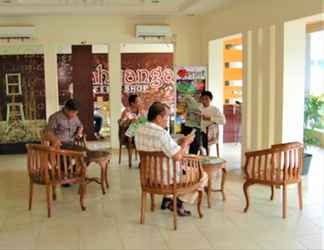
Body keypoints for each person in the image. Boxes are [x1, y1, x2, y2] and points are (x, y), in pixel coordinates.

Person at [135, 102, 208, 216]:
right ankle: (177, 203)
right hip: (166, 179)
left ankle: (168, 199)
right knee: (202, 175)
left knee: (174, 167)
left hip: (148, 178)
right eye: (167, 116)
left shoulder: (139, 130)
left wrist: (179, 142)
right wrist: (186, 142)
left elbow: (162, 147)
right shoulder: (161, 133)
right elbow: (178, 156)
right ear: (159, 117)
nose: (167, 119)